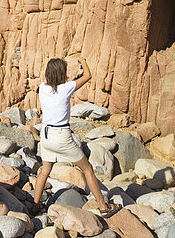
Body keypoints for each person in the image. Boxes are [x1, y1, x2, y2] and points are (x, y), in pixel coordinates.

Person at [31, 57, 119, 218]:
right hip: (61, 136)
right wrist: (83, 61)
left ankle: (35, 205)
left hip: (46, 135)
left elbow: (62, 88)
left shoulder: (42, 87)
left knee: (44, 170)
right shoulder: (66, 88)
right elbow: (88, 76)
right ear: (61, 73)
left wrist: (74, 78)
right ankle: (104, 207)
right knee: (87, 169)